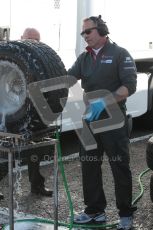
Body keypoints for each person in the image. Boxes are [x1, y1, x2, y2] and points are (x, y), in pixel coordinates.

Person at [67, 15, 137, 230]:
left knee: (119, 165)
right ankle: (95, 211)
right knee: (89, 164)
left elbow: (129, 86)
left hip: (113, 120)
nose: (84, 36)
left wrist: (105, 102)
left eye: (88, 31)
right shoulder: (84, 58)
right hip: (90, 119)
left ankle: (125, 214)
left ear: (101, 30)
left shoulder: (120, 54)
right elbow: (69, 78)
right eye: (82, 33)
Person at [20, 28, 52, 197]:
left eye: (36, 40)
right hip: (10, 113)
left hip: (34, 112)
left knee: (35, 152)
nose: (33, 43)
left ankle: (37, 186)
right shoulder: (10, 53)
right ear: (21, 38)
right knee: (3, 154)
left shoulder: (42, 59)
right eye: (30, 39)